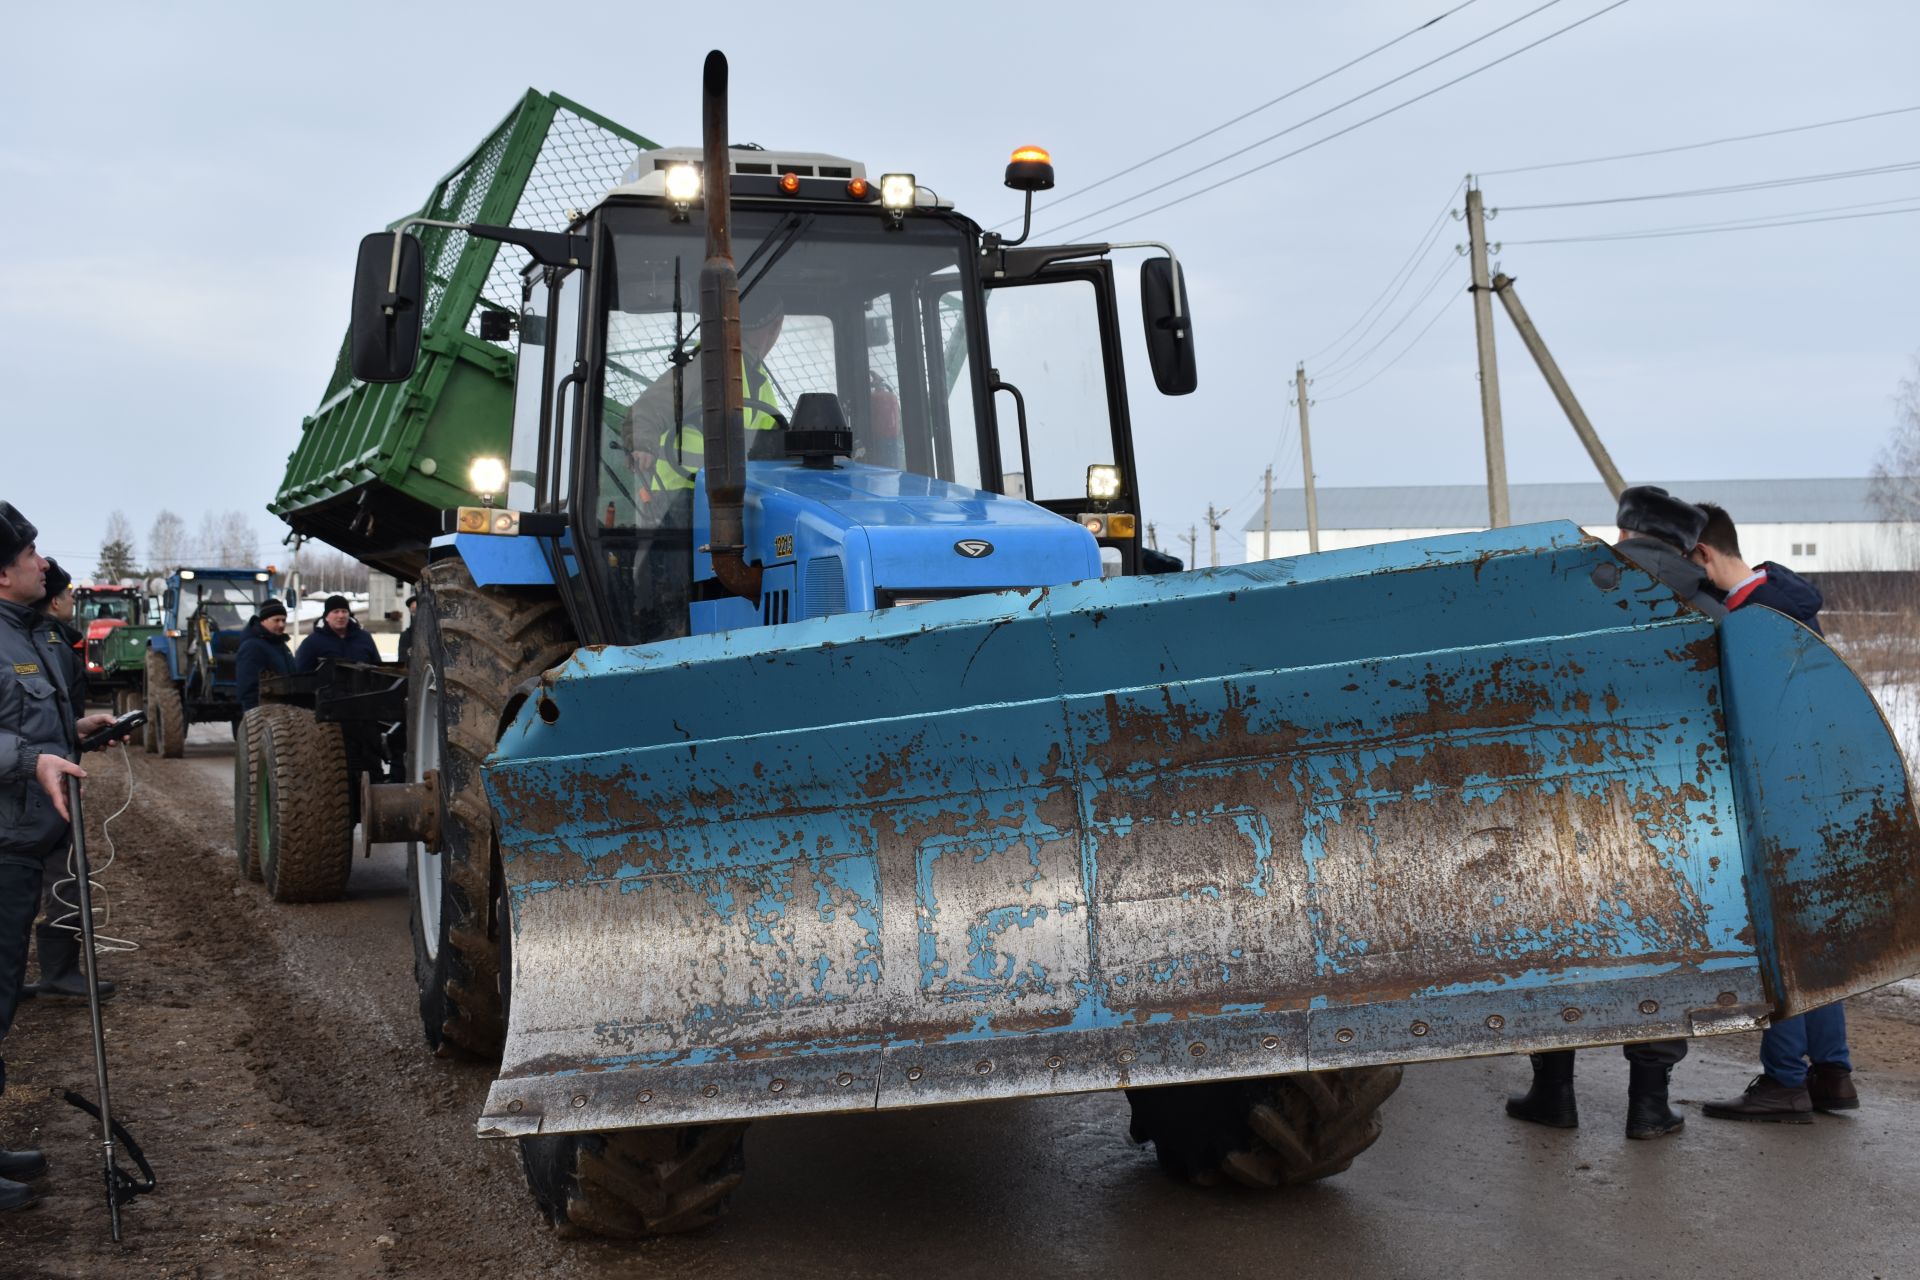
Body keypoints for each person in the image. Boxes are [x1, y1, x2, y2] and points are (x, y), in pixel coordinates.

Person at [1506, 486, 1723, 1142]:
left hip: (1568, 803)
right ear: (1689, 547)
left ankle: (1555, 1094)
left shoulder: (1571, 592)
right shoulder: (1711, 609)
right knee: (1666, 946)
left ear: (1624, 535)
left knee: (1563, 941)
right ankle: (1649, 1106)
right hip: (1675, 812)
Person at [1686, 501, 1855, 1123]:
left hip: (1782, 799)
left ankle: (1785, 1080)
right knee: (1816, 943)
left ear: (1702, 555)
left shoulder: (1755, 623)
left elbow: (1764, 727)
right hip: (1819, 793)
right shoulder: (1790, 607)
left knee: (1781, 944)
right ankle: (1832, 1075)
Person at [0, 502, 125, 1212]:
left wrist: (80, 732)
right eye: (29, 554)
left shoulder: (26, 633)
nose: (43, 563)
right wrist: (34, 757)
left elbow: (25, 724)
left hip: (25, 841)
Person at [24, 559, 113, 1003]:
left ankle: (43, 972)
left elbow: (50, 717)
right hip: (36, 781)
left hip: (44, 767)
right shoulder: (50, 641)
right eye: (71, 595)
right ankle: (57, 971)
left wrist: (75, 732)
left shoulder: (41, 638)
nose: (74, 602)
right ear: (55, 599)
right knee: (60, 874)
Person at [235, 598, 295, 712]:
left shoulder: (281, 646)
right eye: (276, 620)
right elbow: (248, 689)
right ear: (263, 621)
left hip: (283, 713)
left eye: (284, 620)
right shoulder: (252, 647)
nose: (281, 624)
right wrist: (255, 720)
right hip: (265, 716)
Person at [294, 594, 380, 671]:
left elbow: (379, 669)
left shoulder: (365, 638)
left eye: (344, 611)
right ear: (326, 617)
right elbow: (300, 675)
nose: (341, 616)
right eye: (336, 611)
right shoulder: (311, 643)